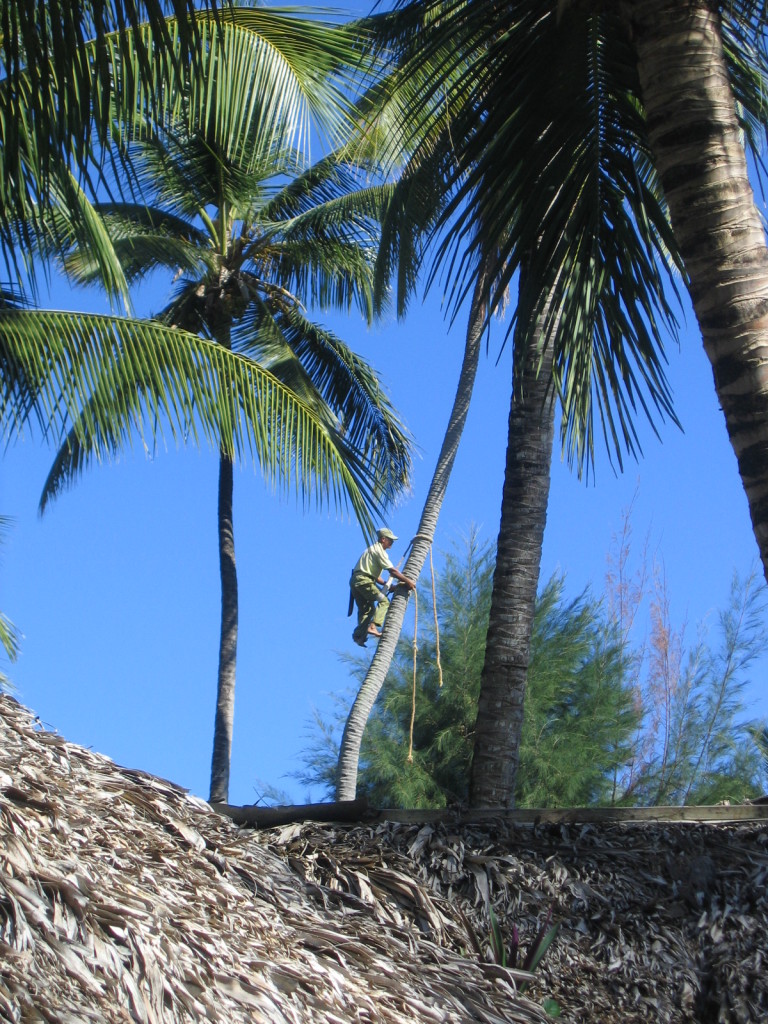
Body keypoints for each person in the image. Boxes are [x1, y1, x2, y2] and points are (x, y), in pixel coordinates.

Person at [349, 527, 416, 647]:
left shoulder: (370, 550)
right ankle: (373, 626)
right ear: (383, 539)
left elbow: (375, 577)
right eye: (390, 540)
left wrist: (389, 586)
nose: (392, 542)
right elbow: (393, 571)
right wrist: (408, 581)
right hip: (364, 581)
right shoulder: (379, 551)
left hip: (356, 581)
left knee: (367, 610)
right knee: (384, 601)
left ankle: (359, 636)